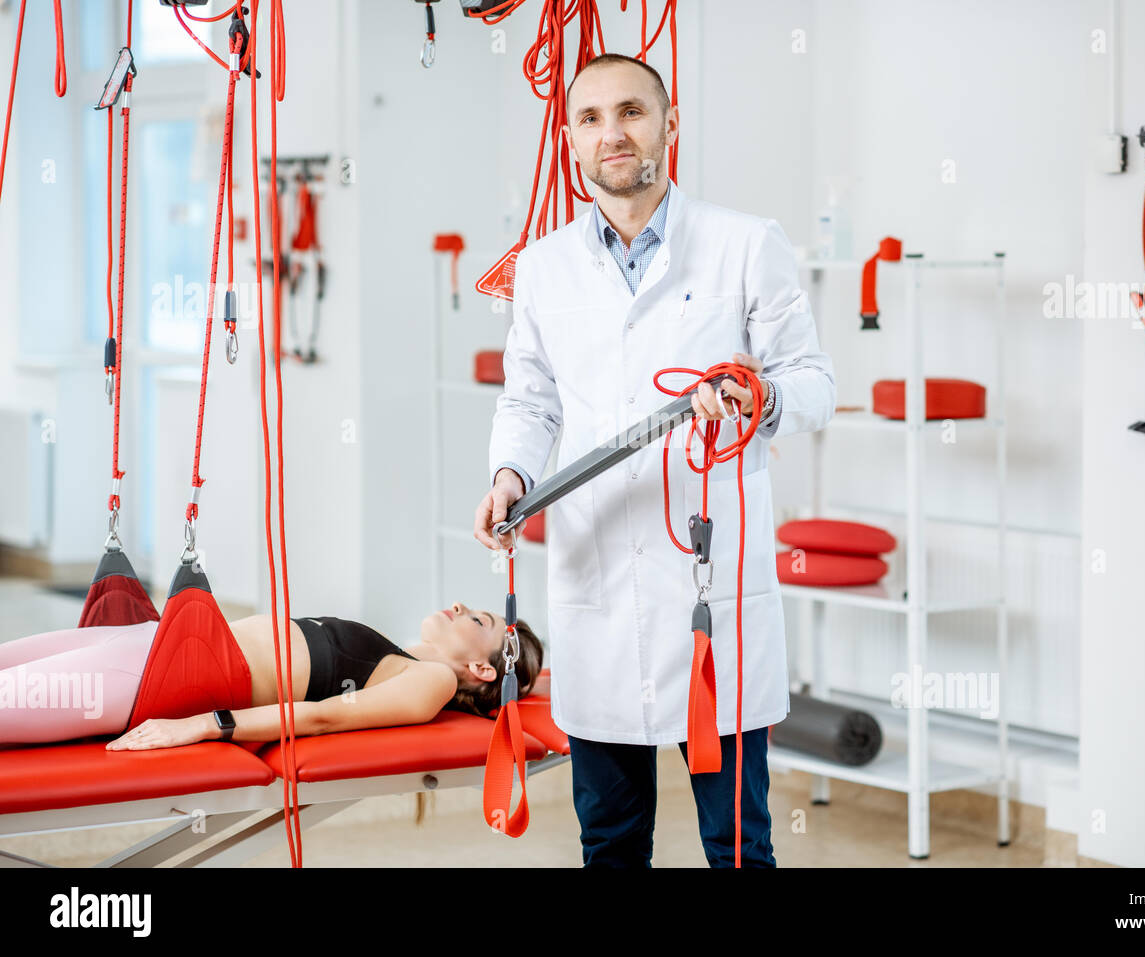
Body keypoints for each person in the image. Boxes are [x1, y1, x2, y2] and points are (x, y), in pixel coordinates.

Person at [473, 53, 836, 867]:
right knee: (609, 840)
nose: (614, 134)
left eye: (632, 112)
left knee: (738, 843)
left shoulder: (746, 244)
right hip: (597, 583)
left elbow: (814, 383)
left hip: (711, 599)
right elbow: (530, 401)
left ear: (670, 125)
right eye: (592, 118)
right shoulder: (542, 267)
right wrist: (510, 478)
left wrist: (756, 397)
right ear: (570, 140)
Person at [0, 602, 544, 749]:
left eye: (479, 619)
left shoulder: (436, 681)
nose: (459, 605)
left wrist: (204, 725)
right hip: (158, 641)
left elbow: (326, 717)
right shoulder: (398, 656)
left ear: (479, 668)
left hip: (163, 676)